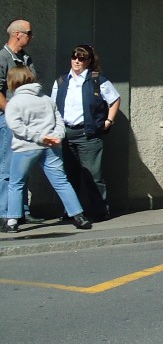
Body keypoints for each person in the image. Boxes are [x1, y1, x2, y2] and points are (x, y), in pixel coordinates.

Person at [3, 65, 90, 233]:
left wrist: (39, 138)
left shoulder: (14, 102)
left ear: (12, 81)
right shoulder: (46, 99)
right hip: (51, 146)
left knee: (16, 183)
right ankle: (79, 216)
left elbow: (16, 126)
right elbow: (59, 121)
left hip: (25, 147)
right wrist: (56, 136)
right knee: (61, 182)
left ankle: (12, 221)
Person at [50, 44, 120, 221]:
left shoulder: (97, 80)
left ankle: (100, 211)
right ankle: (72, 212)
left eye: (81, 58)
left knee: (93, 176)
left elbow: (115, 99)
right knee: (69, 176)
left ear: (89, 61)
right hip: (66, 134)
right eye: (74, 57)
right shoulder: (61, 81)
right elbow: (52, 105)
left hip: (88, 134)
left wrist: (109, 121)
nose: (77, 61)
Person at [0, 19, 37, 220]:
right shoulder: (3, 58)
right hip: (9, 121)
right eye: (29, 33)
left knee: (22, 167)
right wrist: (11, 112)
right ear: (17, 34)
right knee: (7, 168)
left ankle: (22, 211)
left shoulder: (25, 58)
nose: (31, 36)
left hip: (27, 120)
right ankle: (5, 213)